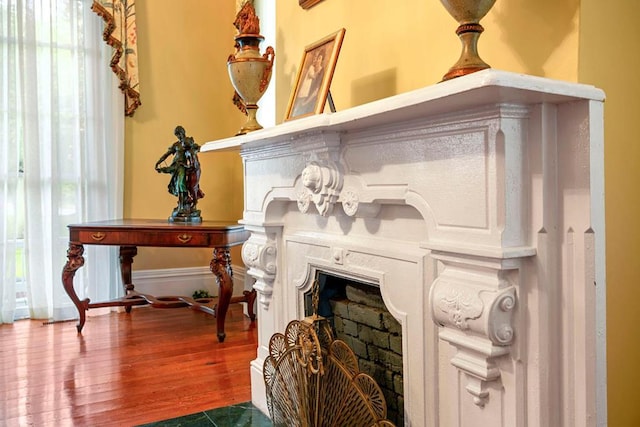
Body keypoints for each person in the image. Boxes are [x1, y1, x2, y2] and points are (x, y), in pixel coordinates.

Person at [155, 125, 204, 222]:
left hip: (183, 167)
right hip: (176, 165)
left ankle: (183, 206)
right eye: (177, 135)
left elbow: (194, 151)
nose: (179, 136)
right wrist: (159, 161)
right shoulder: (176, 145)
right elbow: (167, 154)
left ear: (183, 132)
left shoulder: (188, 142)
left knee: (181, 184)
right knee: (177, 185)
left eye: (179, 134)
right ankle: (181, 206)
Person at [291, 46, 327, 117]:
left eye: (319, 58)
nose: (316, 60)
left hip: (310, 103)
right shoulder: (312, 68)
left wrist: (305, 102)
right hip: (304, 98)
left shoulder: (320, 72)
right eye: (316, 58)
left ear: (322, 60)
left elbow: (315, 91)